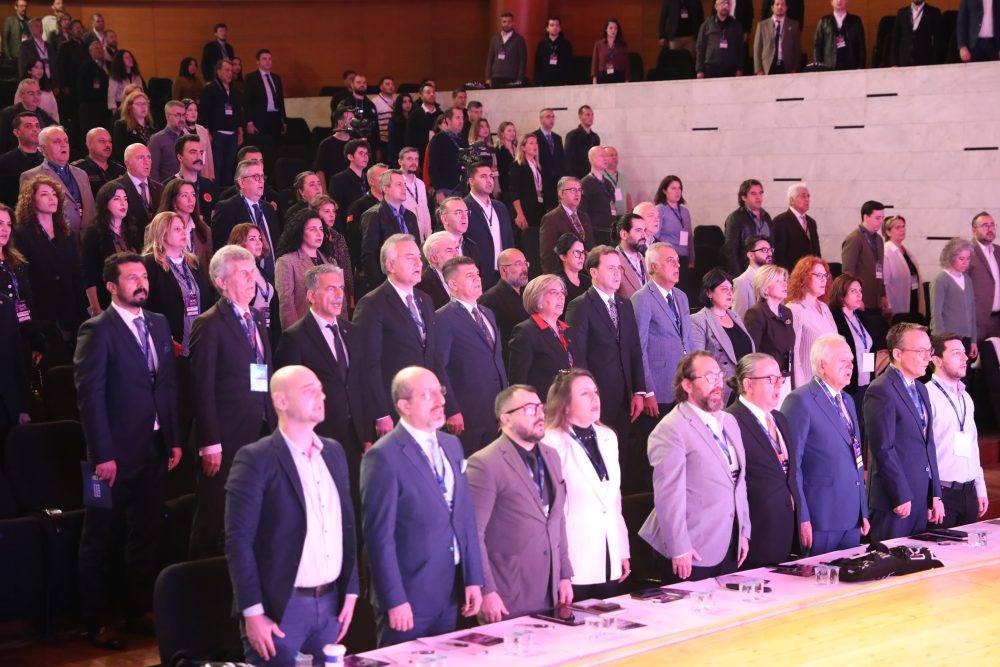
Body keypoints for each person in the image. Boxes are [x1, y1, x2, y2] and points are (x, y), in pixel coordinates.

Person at [74, 251, 181, 651]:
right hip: (110, 457)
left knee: (146, 532)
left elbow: (167, 385)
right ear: (111, 286)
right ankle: (97, 620)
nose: (141, 283)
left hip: (153, 447)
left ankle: (138, 609)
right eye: (132, 278)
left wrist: (173, 438)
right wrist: (102, 454)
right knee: (99, 536)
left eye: (143, 276)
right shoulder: (96, 330)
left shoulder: (158, 322)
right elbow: (90, 398)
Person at [225, 365, 359, 666]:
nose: (321, 396)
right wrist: (252, 612)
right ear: (281, 401)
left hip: (331, 604)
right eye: (309, 391)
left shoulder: (334, 452)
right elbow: (238, 541)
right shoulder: (255, 457)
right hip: (280, 608)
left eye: (321, 389)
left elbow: (344, 526)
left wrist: (350, 590)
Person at [360, 366, 484, 647]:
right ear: (404, 406)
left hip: (450, 592)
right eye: (428, 394)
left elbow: (464, 516)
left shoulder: (452, 445)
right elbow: (378, 538)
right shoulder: (383, 455)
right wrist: (394, 599)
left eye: (440, 391)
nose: (440, 401)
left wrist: (473, 578)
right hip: (408, 597)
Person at [188, 245, 277, 558]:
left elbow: (265, 372)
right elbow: (201, 388)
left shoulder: (257, 317)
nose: (252, 280)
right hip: (225, 437)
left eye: (253, 273)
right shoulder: (209, 324)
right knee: (213, 516)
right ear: (221, 282)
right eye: (243, 274)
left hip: (261, 429)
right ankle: (196, 579)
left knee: (255, 511)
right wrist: (209, 442)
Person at [640, 352, 750, 580]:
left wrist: (743, 531)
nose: (718, 383)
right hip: (691, 549)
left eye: (719, 375)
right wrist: (679, 547)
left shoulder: (729, 421)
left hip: (728, 542)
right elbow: (668, 495)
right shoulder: (671, 428)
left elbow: (739, 482)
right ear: (687, 385)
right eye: (709, 377)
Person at [467, 384, 572, 622]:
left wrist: (565, 573)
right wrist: (486, 590)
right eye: (529, 409)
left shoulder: (551, 455)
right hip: (508, 592)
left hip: (550, 587)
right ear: (506, 418)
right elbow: (473, 534)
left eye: (540, 407)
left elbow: (557, 520)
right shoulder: (485, 463)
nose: (540, 414)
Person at [274, 265, 370, 506]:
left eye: (341, 288)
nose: (339, 295)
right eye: (330, 289)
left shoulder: (352, 331)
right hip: (318, 439)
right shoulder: (294, 337)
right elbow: (287, 396)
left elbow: (360, 383)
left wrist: (366, 434)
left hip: (355, 438)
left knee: (355, 507)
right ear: (311, 295)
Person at [542, 369, 629, 599]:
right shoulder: (550, 441)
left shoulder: (608, 436)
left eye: (595, 391)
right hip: (574, 554)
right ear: (565, 405)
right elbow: (550, 510)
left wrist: (622, 548)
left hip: (608, 551)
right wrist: (559, 564)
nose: (594, 397)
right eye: (584, 393)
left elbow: (614, 500)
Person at [781, 333, 870, 555]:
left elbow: (856, 457)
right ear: (822, 365)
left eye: (851, 360)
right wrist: (802, 516)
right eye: (843, 360)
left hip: (852, 517)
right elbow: (793, 466)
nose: (850, 366)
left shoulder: (848, 400)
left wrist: (863, 510)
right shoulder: (799, 400)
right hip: (820, 519)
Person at [567, 246, 646, 490]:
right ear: (593, 272)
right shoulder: (580, 306)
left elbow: (634, 349)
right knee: (600, 458)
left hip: (625, 396)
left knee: (621, 456)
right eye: (610, 268)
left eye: (619, 268)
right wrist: (587, 395)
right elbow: (578, 358)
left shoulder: (624, 304)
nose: (617, 273)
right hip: (597, 396)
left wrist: (639, 390)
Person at [354, 234, 444, 437]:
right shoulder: (372, 304)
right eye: (410, 257)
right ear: (390, 265)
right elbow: (368, 364)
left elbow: (434, 356)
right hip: (394, 407)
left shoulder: (425, 300)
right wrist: (380, 413)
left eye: (419, 257)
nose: (418, 263)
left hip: (427, 404)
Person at [865, 323, 944, 541]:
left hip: (920, 496)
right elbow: (883, 449)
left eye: (929, 350)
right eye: (921, 351)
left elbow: (928, 444)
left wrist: (935, 494)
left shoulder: (920, 388)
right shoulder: (881, 389)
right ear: (898, 354)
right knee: (891, 561)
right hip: (895, 500)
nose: (928, 357)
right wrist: (900, 494)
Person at [726, 353, 801, 568]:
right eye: (771, 379)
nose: (778, 385)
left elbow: (789, 475)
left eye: (780, 379)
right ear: (748, 384)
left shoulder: (780, 419)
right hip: (754, 533)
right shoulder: (730, 421)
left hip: (785, 529)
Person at [436, 256, 508, 456]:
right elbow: (439, 368)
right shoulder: (442, 318)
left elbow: (496, 360)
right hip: (468, 414)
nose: (478, 278)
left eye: (477, 273)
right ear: (453, 284)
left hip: (496, 409)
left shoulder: (488, 313)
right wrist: (451, 409)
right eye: (469, 275)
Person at [926, 332, 988, 527]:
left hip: (969, 493)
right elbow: (920, 452)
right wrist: (931, 495)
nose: (965, 358)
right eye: (956, 353)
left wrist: (980, 486)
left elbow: (972, 444)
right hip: (942, 495)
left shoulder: (965, 397)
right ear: (937, 360)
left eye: (964, 352)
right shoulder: (926, 395)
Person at [14, 175, 86, 342]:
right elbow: (23, 278)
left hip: (70, 311)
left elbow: (76, 272)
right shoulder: (21, 234)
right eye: (44, 194)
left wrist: (82, 310)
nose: (52, 198)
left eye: (54, 194)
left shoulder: (66, 232)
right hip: (43, 312)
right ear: (31, 200)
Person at [632, 242, 694, 414]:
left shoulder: (681, 296)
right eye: (670, 260)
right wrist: (647, 391)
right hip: (659, 388)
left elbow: (687, 339)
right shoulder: (641, 298)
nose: (677, 265)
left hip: (684, 385)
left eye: (677, 260)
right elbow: (639, 348)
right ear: (654, 266)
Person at [142, 209, 213, 357]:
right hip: (169, 344)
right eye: (177, 229)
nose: (184, 232)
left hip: (200, 341)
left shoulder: (194, 262)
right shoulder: (149, 263)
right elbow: (146, 306)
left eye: (183, 228)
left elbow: (207, 300)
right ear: (162, 234)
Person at [508, 274, 580, 401]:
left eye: (562, 292)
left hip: (569, 403)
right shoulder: (525, 332)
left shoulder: (568, 331)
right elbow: (518, 383)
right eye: (554, 292)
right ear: (538, 299)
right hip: (543, 406)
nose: (561, 297)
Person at [690, 268, 755, 405]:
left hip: (746, 387)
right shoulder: (698, 320)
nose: (730, 293)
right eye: (724, 289)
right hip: (723, 390)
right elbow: (698, 363)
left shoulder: (734, 315)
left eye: (731, 289)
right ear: (709, 293)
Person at [20, 124, 96, 233]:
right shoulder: (31, 176)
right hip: (58, 238)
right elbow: (29, 216)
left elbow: (91, 209)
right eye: (57, 142)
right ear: (43, 148)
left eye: (66, 141)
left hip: (87, 237)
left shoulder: (82, 174)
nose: (63, 145)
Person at [211, 159, 280, 278]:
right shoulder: (227, 208)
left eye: (262, 177)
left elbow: (275, 244)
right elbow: (222, 250)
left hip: (274, 278)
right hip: (245, 277)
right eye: (256, 177)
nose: (261, 181)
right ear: (242, 182)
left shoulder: (268, 209)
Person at [81, 182, 142, 314]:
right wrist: (95, 307)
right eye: (116, 199)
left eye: (125, 199)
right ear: (105, 203)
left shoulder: (131, 231)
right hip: (108, 302)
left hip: (135, 300)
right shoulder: (93, 233)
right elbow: (89, 274)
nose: (123, 203)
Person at [274, 209, 336, 329]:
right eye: (313, 229)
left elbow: (340, 300)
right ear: (300, 232)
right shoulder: (286, 262)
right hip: (306, 329)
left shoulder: (331, 261)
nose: (319, 233)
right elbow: (287, 305)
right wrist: (294, 335)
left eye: (321, 229)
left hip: (332, 328)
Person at [360, 169, 420, 286]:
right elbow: (369, 256)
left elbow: (416, 248)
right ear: (385, 189)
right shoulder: (374, 215)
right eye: (399, 184)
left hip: (410, 281)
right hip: (387, 282)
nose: (404, 188)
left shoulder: (410, 216)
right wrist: (381, 287)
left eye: (404, 184)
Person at [744, 264, 794, 399]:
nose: (785, 284)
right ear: (765, 289)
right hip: (767, 381)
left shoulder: (787, 312)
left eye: (784, 280)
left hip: (786, 379)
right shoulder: (755, 314)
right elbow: (751, 355)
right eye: (778, 281)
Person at [842, 200, 889, 340]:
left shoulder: (879, 240)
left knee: (876, 338)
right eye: (877, 218)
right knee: (864, 340)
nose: (881, 222)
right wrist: (854, 299)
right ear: (866, 217)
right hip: (861, 300)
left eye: (882, 218)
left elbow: (880, 269)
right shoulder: (854, 239)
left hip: (876, 299)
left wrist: (883, 294)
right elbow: (847, 273)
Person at [787, 256, 837, 389]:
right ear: (804, 277)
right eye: (819, 275)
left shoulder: (824, 307)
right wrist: (800, 390)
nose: (824, 280)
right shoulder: (794, 309)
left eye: (825, 276)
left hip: (829, 382)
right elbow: (794, 355)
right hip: (808, 384)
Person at [464, 163, 515, 290]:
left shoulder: (500, 207)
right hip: (478, 275)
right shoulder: (464, 207)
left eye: (491, 176)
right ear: (471, 181)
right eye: (483, 176)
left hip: (504, 274)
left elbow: (509, 239)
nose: (489, 180)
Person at [829, 274, 875, 403]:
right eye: (854, 291)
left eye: (860, 290)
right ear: (841, 295)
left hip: (867, 381)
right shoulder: (834, 318)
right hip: (848, 384)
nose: (859, 295)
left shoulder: (861, 316)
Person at [477, 247, 529, 358]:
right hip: (508, 361)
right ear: (503, 270)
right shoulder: (489, 299)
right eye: (518, 264)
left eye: (525, 263)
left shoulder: (528, 294)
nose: (524, 268)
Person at [930, 237, 977, 357]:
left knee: (965, 368)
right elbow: (936, 315)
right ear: (951, 258)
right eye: (961, 258)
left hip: (966, 338)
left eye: (968, 258)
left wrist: (973, 340)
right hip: (949, 340)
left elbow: (972, 312)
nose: (965, 262)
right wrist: (941, 342)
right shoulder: (940, 281)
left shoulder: (967, 279)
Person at [200, 59, 243, 187]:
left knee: (229, 167)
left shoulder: (235, 90)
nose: (230, 73)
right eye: (226, 70)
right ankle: (215, 193)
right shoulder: (209, 89)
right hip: (217, 133)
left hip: (232, 133)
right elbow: (204, 112)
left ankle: (226, 194)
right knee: (217, 166)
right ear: (218, 71)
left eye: (231, 71)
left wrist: (240, 131)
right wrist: (207, 132)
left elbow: (238, 112)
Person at [540, 177, 594, 274]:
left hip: (586, 274)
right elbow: (548, 257)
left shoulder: (584, 217)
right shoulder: (551, 219)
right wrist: (555, 279)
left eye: (579, 190)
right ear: (561, 193)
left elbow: (591, 248)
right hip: (564, 275)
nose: (577, 194)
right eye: (573, 190)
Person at [157, 177, 213, 272]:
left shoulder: (205, 230)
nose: (191, 200)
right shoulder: (158, 228)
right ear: (173, 201)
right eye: (184, 195)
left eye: (193, 195)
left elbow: (209, 266)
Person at [508, 133, 545, 270]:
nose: (535, 146)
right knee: (526, 244)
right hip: (524, 210)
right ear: (523, 147)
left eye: (536, 143)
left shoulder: (537, 166)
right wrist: (519, 213)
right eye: (531, 143)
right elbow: (514, 192)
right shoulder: (517, 165)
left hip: (537, 210)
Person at [308, 194, 353, 305]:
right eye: (327, 211)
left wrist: (351, 294)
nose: (332, 215)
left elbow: (347, 268)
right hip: (322, 294)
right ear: (316, 213)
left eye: (333, 211)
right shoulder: (313, 239)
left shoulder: (339, 237)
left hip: (342, 291)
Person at [227, 223, 274, 328]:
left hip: (264, 328)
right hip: (245, 328)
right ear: (240, 243)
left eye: (260, 238)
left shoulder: (261, 271)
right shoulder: (235, 272)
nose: (259, 243)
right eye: (252, 239)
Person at [652, 175, 694, 292]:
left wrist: (692, 258)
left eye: (679, 188)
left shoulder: (685, 211)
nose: (677, 191)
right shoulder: (660, 209)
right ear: (664, 190)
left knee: (683, 290)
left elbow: (689, 236)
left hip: (683, 257)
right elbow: (655, 236)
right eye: (673, 188)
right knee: (670, 289)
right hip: (668, 258)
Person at [107, 143, 162, 231]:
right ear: (127, 163)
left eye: (149, 157)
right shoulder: (114, 189)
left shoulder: (160, 189)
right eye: (141, 157)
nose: (147, 162)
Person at [722, 179, 770, 275]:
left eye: (760, 193)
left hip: (765, 271)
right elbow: (730, 252)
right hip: (745, 271)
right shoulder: (734, 218)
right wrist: (739, 276)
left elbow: (771, 246)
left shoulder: (766, 216)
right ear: (743, 197)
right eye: (753, 194)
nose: (758, 197)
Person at [882, 214, 924, 321]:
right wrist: (887, 305)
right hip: (897, 303)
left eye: (903, 226)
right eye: (897, 227)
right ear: (888, 232)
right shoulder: (886, 251)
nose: (902, 230)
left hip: (912, 297)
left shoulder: (906, 251)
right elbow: (884, 283)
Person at [771, 183, 821, 272]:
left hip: (810, 273)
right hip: (791, 273)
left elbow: (816, 251)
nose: (807, 199)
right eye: (803, 196)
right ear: (792, 200)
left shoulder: (811, 222)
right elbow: (779, 254)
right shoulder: (780, 221)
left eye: (808, 196)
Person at [243, 49, 286, 149]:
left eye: (270, 59)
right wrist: (249, 122)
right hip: (260, 119)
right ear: (258, 62)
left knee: (276, 148)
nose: (268, 61)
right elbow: (247, 101)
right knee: (262, 148)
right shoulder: (251, 78)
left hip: (275, 118)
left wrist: (284, 121)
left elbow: (280, 100)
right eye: (264, 59)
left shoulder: (276, 78)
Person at [0, 78, 56, 154]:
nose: (36, 97)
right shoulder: (9, 114)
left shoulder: (43, 115)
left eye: (38, 93)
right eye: (31, 93)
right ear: (21, 95)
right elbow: (2, 142)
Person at [328, 139, 371, 235]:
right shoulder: (338, 179)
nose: (365, 157)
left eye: (366, 153)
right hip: (349, 229)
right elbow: (336, 209)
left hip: (368, 227)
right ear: (350, 157)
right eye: (361, 153)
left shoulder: (369, 178)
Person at [969, 212, 1000, 343]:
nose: (990, 229)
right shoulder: (967, 252)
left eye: (992, 225)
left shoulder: (998, 251)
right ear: (974, 230)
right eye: (985, 225)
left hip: (997, 322)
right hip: (975, 322)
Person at [0, 112, 43, 206]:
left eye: (37, 126)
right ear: (17, 132)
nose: (35, 129)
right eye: (28, 126)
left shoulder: (47, 158)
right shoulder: (5, 162)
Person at [72, 127, 126, 199]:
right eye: (102, 141)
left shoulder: (119, 169)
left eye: (110, 141)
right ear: (89, 144)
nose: (108, 145)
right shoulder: (77, 169)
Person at [577, 146, 616, 247]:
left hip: (609, 232)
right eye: (602, 156)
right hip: (595, 234)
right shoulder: (585, 183)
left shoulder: (608, 183)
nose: (605, 159)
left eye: (606, 156)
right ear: (592, 159)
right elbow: (581, 212)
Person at [696, 1, 745, 78]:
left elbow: (740, 48)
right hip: (710, 68)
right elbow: (700, 47)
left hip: (731, 68)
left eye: (727, 4)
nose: (725, 6)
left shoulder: (736, 25)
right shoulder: (706, 24)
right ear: (716, 6)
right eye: (722, 3)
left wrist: (740, 68)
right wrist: (699, 70)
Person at [427, 107, 467, 201]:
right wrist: (439, 190)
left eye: (462, 118)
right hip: (445, 189)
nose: (461, 121)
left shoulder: (463, 139)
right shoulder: (438, 139)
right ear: (448, 120)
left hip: (462, 188)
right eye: (457, 118)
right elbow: (433, 166)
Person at [336, 73, 380, 156]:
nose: (362, 85)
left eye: (364, 83)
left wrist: (377, 149)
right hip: (349, 146)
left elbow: (376, 128)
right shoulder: (345, 104)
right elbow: (339, 127)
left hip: (369, 146)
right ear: (352, 85)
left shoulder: (370, 105)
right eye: (359, 82)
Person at [813, 0, 866, 70]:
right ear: (831, 2)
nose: (839, 1)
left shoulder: (856, 21)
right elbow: (817, 46)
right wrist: (818, 66)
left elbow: (861, 46)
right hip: (829, 67)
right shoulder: (824, 21)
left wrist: (860, 66)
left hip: (851, 66)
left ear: (847, 1)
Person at [889, 0, 944, 67]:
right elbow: (895, 40)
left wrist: (934, 63)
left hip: (926, 62)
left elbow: (938, 41)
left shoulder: (934, 12)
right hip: (904, 62)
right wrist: (894, 63)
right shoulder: (901, 13)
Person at [754, 0, 802, 74]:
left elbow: (797, 49)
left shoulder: (794, 25)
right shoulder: (762, 25)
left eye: (783, 4)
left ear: (786, 8)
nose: (780, 7)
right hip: (767, 66)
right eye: (777, 4)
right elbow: (757, 49)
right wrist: (758, 70)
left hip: (787, 67)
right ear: (772, 8)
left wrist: (795, 68)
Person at [75, 42, 109, 146]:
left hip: (105, 106)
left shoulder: (109, 65)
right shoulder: (86, 66)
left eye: (101, 48)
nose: (100, 50)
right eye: (96, 48)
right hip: (90, 105)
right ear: (90, 52)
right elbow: (82, 87)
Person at [532, 108, 565, 209]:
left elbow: (561, 160)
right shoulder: (534, 137)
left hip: (557, 182)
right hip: (542, 180)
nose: (551, 119)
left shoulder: (557, 138)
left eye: (553, 117)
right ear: (541, 119)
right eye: (548, 117)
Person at [732, 234, 773, 317]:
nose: (770, 253)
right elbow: (740, 317)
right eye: (764, 250)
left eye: (770, 250)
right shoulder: (741, 282)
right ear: (751, 255)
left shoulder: (774, 278)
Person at [398, 146, 433, 243]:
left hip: (421, 238)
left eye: (416, 159)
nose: (413, 162)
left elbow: (425, 210)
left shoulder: (420, 184)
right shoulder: (396, 183)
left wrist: (429, 235)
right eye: (409, 159)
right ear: (400, 162)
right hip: (404, 237)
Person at [404, 83, 441, 170]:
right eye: (428, 92)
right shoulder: (415, 115)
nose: (431, 94)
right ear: (421, 96)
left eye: (433, 92)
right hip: (420, 156)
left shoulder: (440, 114)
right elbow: (409, 139)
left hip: (438, 156)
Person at [146, 100, 185, 183]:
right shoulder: (157, 139)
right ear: (167, 116)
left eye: (183, 115)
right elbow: (152, 170)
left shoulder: (188, 139)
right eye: (177, 115)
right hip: (167, 188)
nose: (182, 119)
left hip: (189, 188)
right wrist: (157, 189)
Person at [485, 11, 527, 87]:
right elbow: (489, 60)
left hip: (512, 78)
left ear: (513, 23)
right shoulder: (494, 39)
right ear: (501, 23)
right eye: (504, 22)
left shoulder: (519, 39)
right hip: (496, 77)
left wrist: (519, 79)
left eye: (509, 21)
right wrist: (488, 77)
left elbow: (522, 61)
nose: (507, 24)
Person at [111, 91, 153, 164]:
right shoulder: (121, 126)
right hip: (132, 165)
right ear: (130, 107)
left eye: (145, 103)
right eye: (138, 104)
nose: (143, 107)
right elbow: (120, 152)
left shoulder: (152, 126)